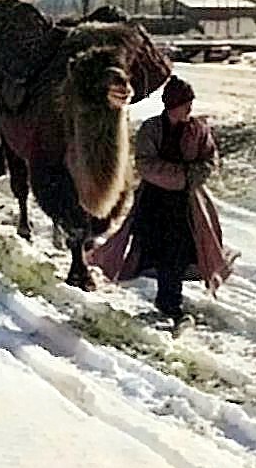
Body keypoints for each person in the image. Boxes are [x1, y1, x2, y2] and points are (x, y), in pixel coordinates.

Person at [89, 75, 237, 324]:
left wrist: (191, 178)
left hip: (188, 204)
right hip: (155, 203)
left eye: (191, 104)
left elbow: (209, 160)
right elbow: (146, 164)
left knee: (179, 254)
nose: (189, 110)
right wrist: (182, 175)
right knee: (160, 252)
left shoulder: (198, 130)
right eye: (185, 105)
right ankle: (168, 301)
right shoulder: (151, 128)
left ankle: (170, 302)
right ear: (172, 105)